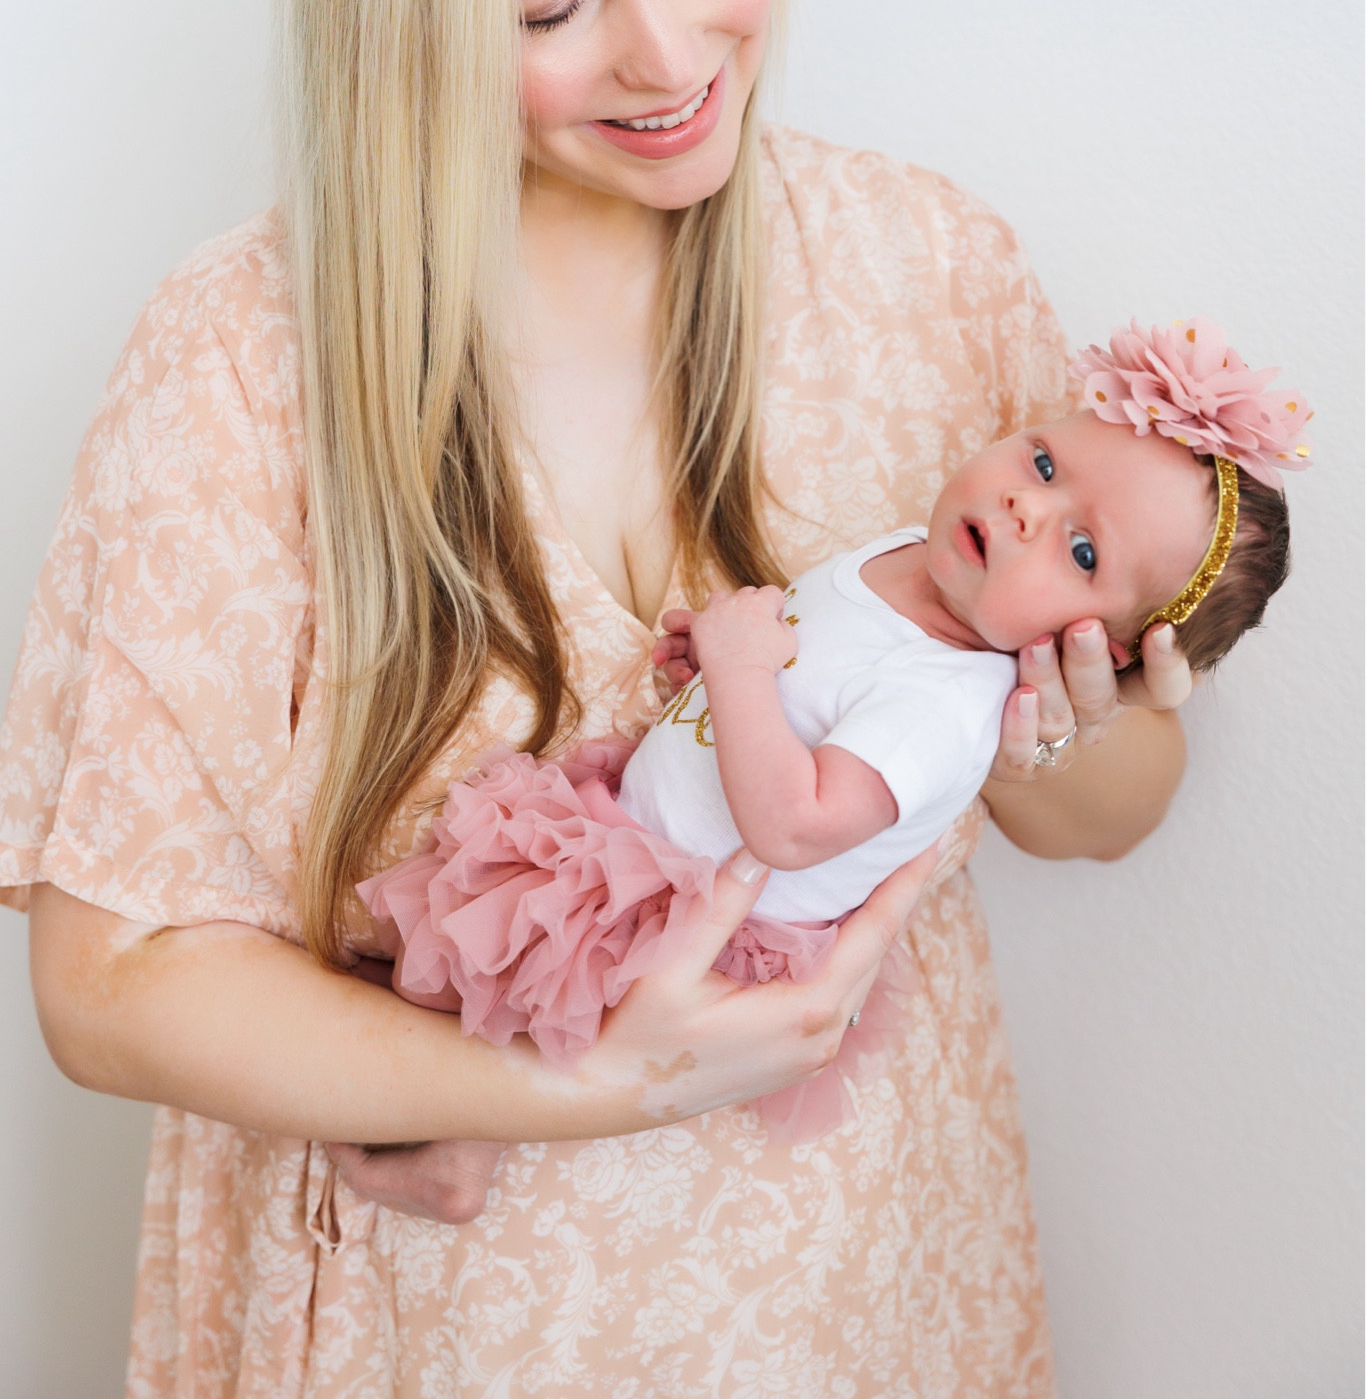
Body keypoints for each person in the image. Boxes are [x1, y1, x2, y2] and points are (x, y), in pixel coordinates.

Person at [1, 0, 1196, 1399]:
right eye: (555, 7)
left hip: (861, 1310)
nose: (669, 52)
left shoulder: (919, 266)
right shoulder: (245, 359)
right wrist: (551, 1084)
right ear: (395, 27)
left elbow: (1099, 815)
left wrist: (1060, 729)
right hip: (457, 1338)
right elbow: (112, 980)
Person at [362, 320, 1303, 1178]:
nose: (1026, 509)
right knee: (436, 970)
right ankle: (405, 1102)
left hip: (688, 923)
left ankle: (457, 1151)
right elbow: (812, 674)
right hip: (648, 840)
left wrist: (737, 674)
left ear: (1100, 647)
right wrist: (717, 670)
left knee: (494, 1007)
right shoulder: (919, 561)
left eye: (1083, 552)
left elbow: (796, 824)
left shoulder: (943, 706)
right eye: (1047, 464)